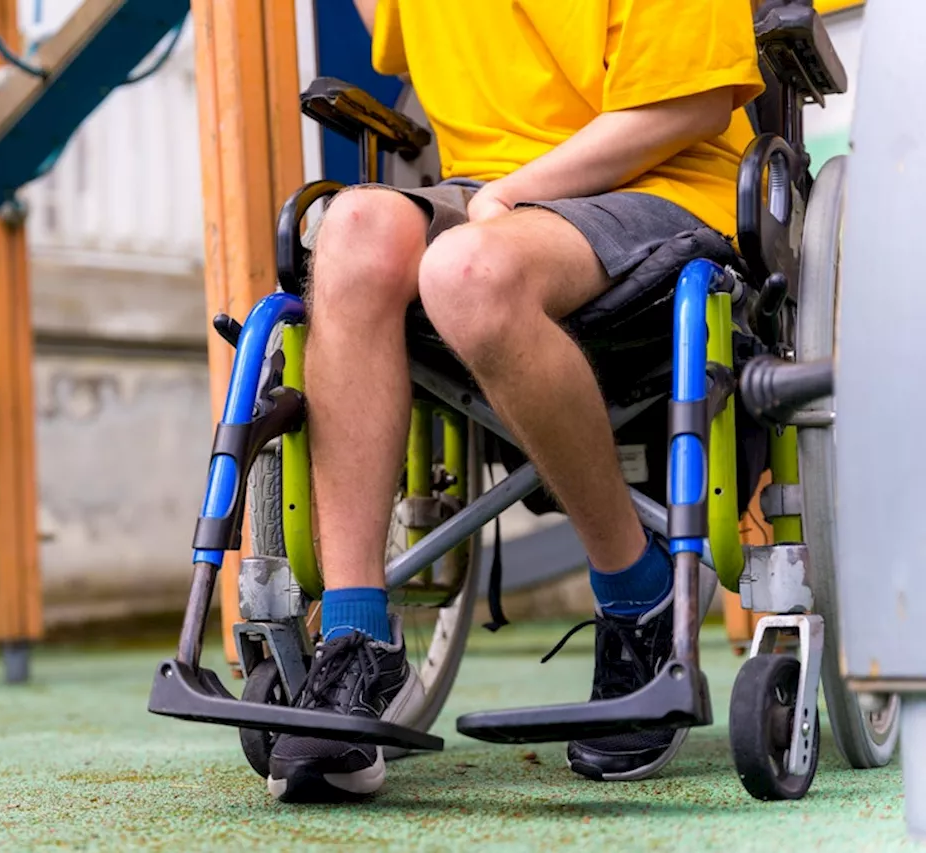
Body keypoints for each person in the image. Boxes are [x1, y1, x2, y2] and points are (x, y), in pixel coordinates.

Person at [266, 0, 766, 803]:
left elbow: (692, 102)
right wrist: (498, 199)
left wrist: (514, 194)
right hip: (486, 198)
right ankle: (355, 635)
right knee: (351, 227)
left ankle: (639, 596)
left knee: (467, 271)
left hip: (658, 187)